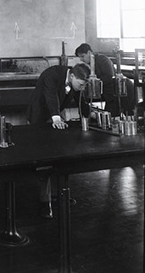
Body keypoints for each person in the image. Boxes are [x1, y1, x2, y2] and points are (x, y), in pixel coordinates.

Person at [26, 63, 90, 218]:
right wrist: (56, 117)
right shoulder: (52, 74)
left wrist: (90, 114)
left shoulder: (75, 80)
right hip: (39, 118)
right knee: (44, 162)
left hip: (55, 120)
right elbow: (50, 95)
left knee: (59, 157)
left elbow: (79, 98)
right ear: (72, 76)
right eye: (80, 85)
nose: (81, 88)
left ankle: (58, 195)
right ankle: (44, 203)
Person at [75, 43, 134, 116]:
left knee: (127, 114)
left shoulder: (102, 59)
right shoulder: (89, 64)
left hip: (122, 89)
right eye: (80, 57)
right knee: (110, 117)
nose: (81, 59)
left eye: (82, 56)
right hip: (110, 94)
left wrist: (94, 81)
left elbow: (109, 77)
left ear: (89, 52)